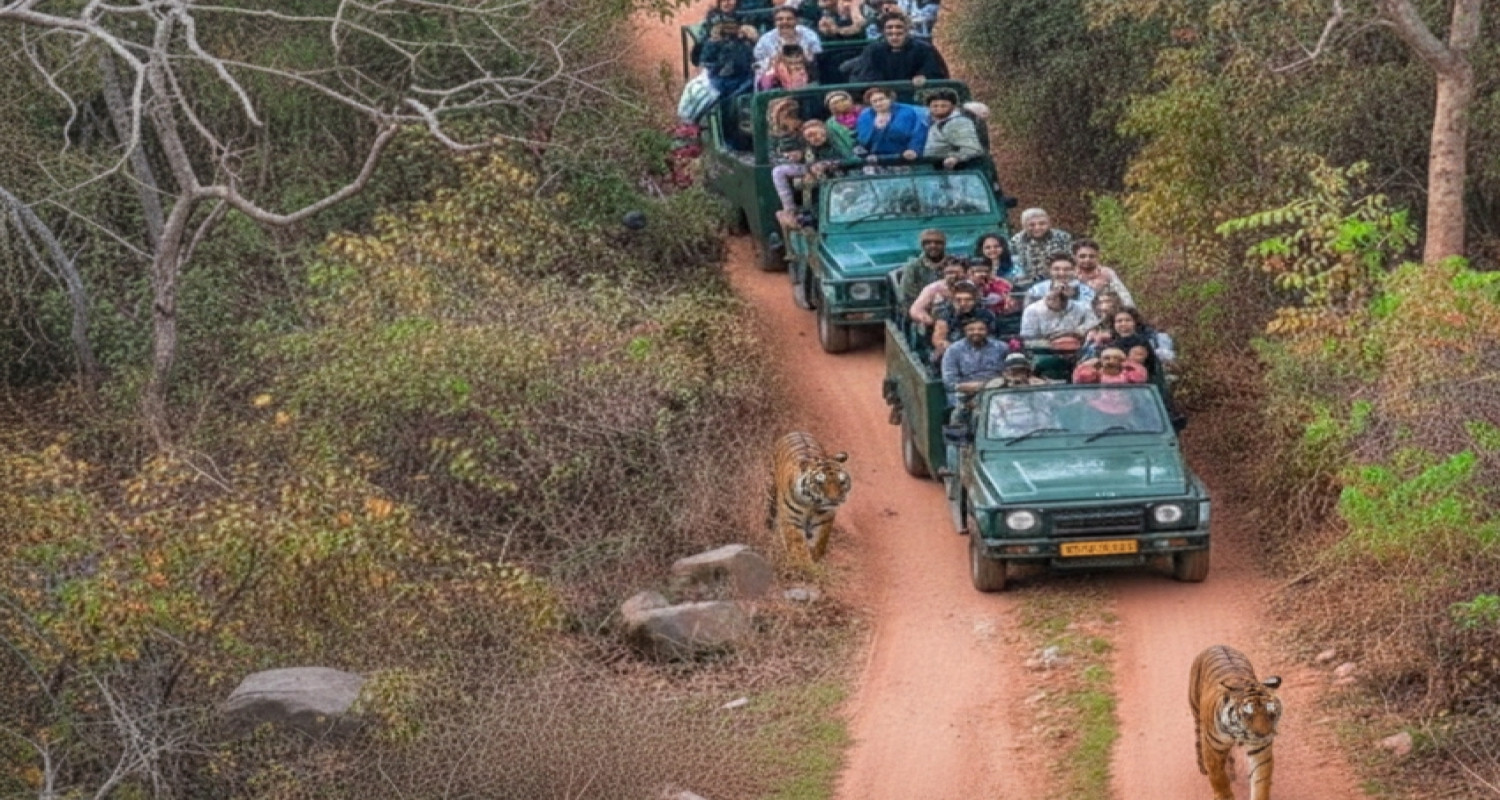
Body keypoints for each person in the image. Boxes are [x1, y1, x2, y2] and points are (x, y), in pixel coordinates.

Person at [772, 118, 854, 214]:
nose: (813, 139)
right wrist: (810, 169)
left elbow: (853, 159)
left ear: (824, 131)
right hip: (818, 179)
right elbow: (809, 163)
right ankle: (791, 209)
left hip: (843, 178)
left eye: (814, 134)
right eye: (809, 137)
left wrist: (830, 164)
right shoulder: (812, 149)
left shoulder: (836, 142)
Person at [851, 12, 949, 84]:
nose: (894, 33)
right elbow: (865, 76)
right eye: (890, 28)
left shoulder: (923, 49)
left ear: (907, 30)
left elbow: (935, 72)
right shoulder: (873, 51)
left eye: (899, 27)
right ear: (883, 31)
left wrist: (924, 77)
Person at [699, 19, 757, 135]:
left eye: (732, 27)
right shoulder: (714, 42)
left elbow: (749, 62)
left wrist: (751, 39)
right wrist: (714, 41)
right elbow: (705, 62)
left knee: (737, 98)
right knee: (719, 98)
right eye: (726, 28)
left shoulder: (744, 43)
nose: (729, 31)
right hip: (720, 80)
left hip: (743, 80)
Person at [940, 315, 1007, 407]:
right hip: (964, 395)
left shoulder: (1001, 347)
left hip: (997, 391)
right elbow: (950, 383)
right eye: (971, 330)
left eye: (981, 329)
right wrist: (979, 387)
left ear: (987, 330)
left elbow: (1010, 371)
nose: (976, 332)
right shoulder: (953, 350)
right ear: (965, 331)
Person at [854, 86, 928, 162]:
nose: (878, 103)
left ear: (890, 99)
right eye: (874, 101)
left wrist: (913, 149)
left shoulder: (907, 112)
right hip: (874, 159)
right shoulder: (865, 116)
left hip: (903, 157)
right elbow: (861, 140)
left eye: (881, 99)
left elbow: (918, 133)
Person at [931, 283, 998, 359]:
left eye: (968, 300)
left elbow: (992, 338)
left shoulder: (986, 315)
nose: (963, 303)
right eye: (958, 300)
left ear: (975, 300)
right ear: (953, 300)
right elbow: (938, 339)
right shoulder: (946, 314)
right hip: (953, 351)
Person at [921, 87, 983, 169]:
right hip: (936, 171)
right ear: (929, 107)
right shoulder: (933, 123)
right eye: (935, 106)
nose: (939, 109)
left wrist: (955, 158)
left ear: (953, 107)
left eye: (944, 106)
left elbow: (972, 148)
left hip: (958, 172)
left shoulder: (958, 122)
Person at [754, 6, 823, 76]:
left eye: (789, 19)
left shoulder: (809, 35)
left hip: (807, 75)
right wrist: (776, 60)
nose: (785, 22)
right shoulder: (765, 40)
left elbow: (817, 58)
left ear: (797, 21)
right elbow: (757, 66)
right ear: (775, 22)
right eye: (780, 19)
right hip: (775, 78)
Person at [1009, 207, 1072, 279]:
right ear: (1024, 226)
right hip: (1028, 281)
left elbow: (1072, 260)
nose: (1037, 228)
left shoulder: (1063, 237)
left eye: (1042, 224)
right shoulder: (1015, 241)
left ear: (1049, 223)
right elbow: (1013, 265)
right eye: (1032, 225)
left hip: (1060, 278)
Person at [1111, 307, 1177, 375]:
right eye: (1119, 321)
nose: (1123, 324)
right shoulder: (1111, 345)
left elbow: (1152, 367)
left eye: (1128, 320)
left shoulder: (1143, 342)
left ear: (1134, 322)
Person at [1072, 238, 1134, 307]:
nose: (1087, 259)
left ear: (1098, 256)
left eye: (1091, 256)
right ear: (1074, 257)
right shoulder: (1069, 274)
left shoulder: (1107, 273)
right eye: (1082, 256)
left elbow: (1124, 297)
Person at [1019, 287, 1097, 340]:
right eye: (1050, 298)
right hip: (1044, 350)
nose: (1053, 300)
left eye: (1058, 297)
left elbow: (1093, 326)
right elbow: (1028, 338)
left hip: (1077, 344)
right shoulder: (1032, 310)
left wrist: (1075, 332)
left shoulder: (1083, 307)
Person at [898, 228, 950, 305]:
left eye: (938, 242)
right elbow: (907, 297)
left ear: (944, 244)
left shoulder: (954, 263)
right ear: (922, 246)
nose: (933, 246)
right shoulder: (913, 267)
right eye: (928, 243)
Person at [908, 257, 967, 325]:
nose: (953, 276)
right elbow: (915, 310)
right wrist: (931, 322)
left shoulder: (972, 286)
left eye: (957, 272)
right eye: (949, 273)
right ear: (943, 274)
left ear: (965, 273)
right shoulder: (933, 289)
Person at [1024, 252, 1096, 305]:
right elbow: (1029, 315)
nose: (1062, 273)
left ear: (1075, 270)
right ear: (1049, 270)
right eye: (1056, 269)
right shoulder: (1036, 291)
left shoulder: (1087, 291)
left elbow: (1089, 315)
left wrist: (1072, 298)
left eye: (1067, 269)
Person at [1072, 347, 1148, 384]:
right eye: (1107, 358)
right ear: (1101, 360)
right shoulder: (1097, 374)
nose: (1111, 361)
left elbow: (1140, 377)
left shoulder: (1127, 374)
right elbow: (1080, 378)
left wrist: (1130, 364)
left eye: (1116, 358)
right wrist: (1087, 364)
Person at [1082, 290, 1124, 354]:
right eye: (1100, 303)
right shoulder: (1099, 323)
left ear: (1116, 303)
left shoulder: (1125, 317)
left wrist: (1111, 335)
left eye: (1108, 302)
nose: (1103, 307)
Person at [984, 352, 1051, 389]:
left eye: (1021, 370)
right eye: (1013, 370)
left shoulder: (1037, 382)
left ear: (1027, 371)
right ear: (1005, 372)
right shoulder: (996, 383)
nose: (1017, 373)